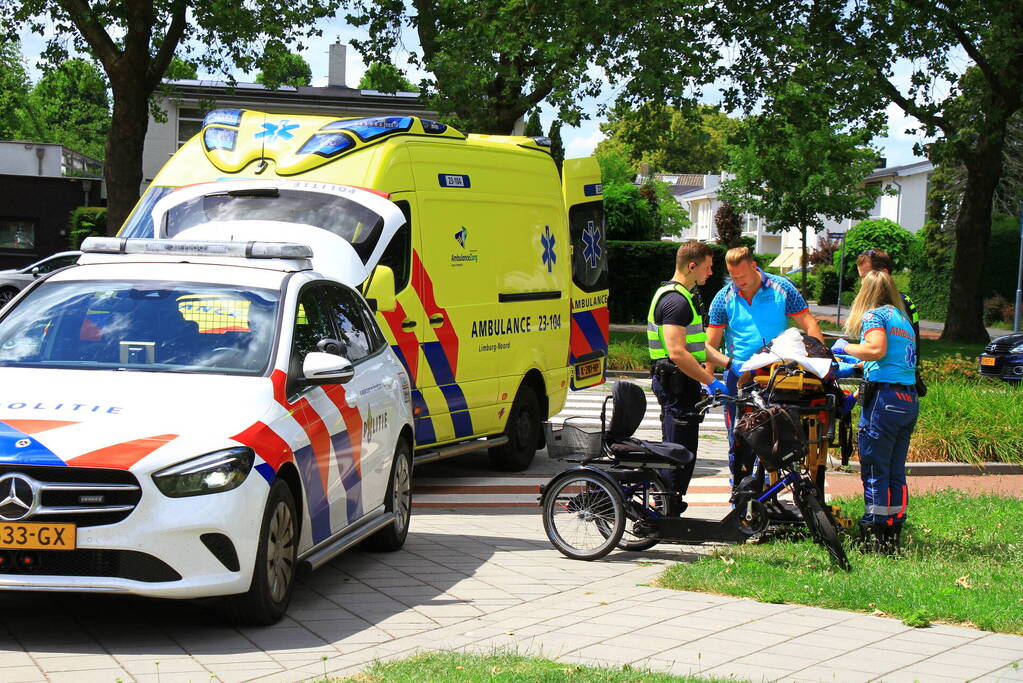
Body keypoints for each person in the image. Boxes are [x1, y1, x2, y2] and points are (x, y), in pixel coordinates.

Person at [705, 246, 823, 485]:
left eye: (742, 277)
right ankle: (740, 492)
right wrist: (709, 380)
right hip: (739, 376)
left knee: (774, 434)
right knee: (739, 437)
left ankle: (769, 491)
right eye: (733, 277)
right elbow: (709, 344)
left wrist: (819, 362)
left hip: (775, 375)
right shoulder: (724, 297)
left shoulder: (782, 288)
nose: (738, 282)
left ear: (753, 266)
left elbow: (809, 324)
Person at [832, 270, 918, 553]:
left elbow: (877, 350)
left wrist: (845, 346)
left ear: (865, 293)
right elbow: (889, 360)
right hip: (906, 399)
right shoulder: (902, 319)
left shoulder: (875, 315)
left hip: (885, 401)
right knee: (894, 469)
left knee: (874, 468)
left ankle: (873, 531)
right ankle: (893, 527)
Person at [647, 241, 731, 497]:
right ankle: (665, 510)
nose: (711, 272)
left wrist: (729, 364)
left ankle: (669, 506)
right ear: (692, 266)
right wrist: (711, 381)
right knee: (677, 451)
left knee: (683, 450)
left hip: (681, 384)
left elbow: (695, 346)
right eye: (707, 267)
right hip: (676, 384)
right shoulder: (676, 301)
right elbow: (677, 352)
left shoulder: (682, 296)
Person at [854, 248, 925, 396]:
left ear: (883, 273)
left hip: (887, 387)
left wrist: (846, 348)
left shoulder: (883, 309)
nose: (862, 283)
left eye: (866, 277)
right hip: (904, 384)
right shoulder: (901, 303)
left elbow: (878, 351)